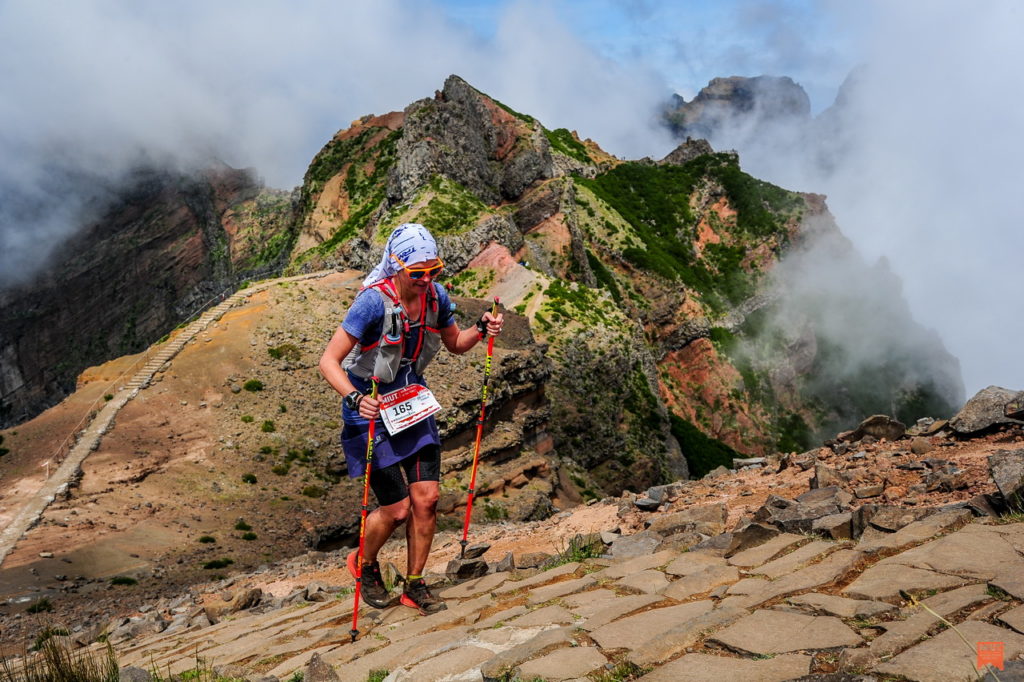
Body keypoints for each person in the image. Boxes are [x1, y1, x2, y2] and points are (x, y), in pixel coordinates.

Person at [318, 223, 503, 614]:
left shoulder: (436, 295)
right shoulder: (372, 302)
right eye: (417, 272)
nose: (426, 279)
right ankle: (364, 562)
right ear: (396, 265)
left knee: (428, 499)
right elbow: (329, 361)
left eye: (434, 269)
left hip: (412, 405)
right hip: (370, 411)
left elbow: (455, 344)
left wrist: (480, 329)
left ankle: (414, 584)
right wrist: (354, 398)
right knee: (397, 509)